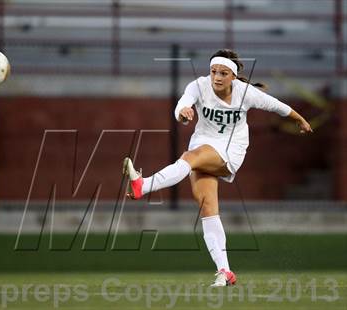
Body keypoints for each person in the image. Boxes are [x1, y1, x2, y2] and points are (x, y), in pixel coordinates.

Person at [123, 49, 313, 287]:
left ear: (233, 76)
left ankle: (144, 184)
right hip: (203, 147)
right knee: (208, 209)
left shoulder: (245, 93)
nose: (217, 77)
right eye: (214, 71)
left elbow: (277, 106)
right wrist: (183, 114)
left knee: (191, 156)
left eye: (223, 73)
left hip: (231, 150)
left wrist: (301, 120)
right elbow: (183, 104)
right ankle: (225, 271)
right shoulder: (199, 86)